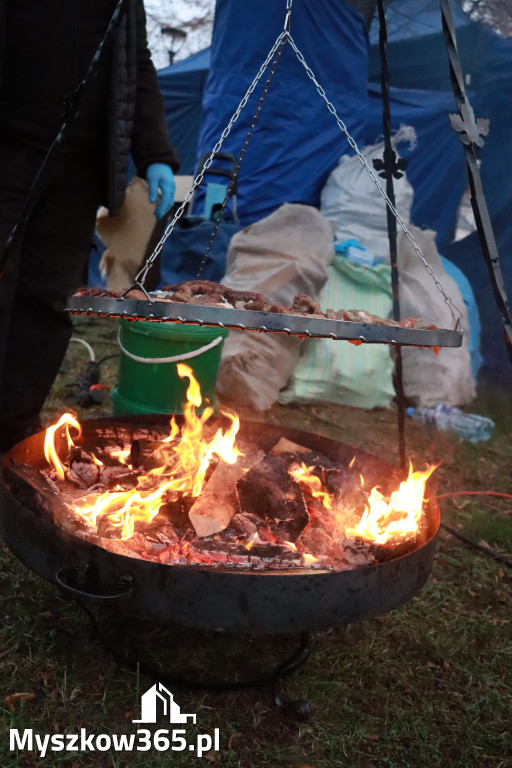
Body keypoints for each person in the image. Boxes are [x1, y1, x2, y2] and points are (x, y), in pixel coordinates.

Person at [0, 0, 180, 452]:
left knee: (49, 298)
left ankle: (14, 426)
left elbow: (134, 62)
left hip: (79, 164)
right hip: (9, 149)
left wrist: (155, 152)